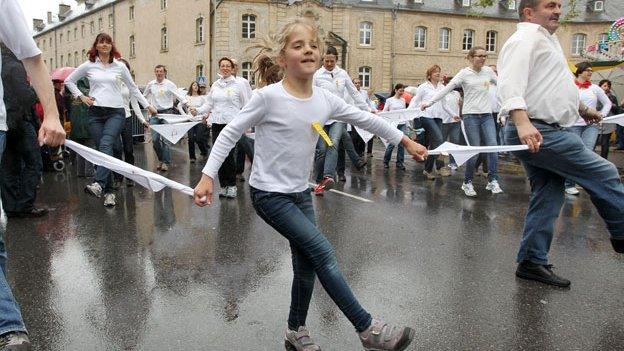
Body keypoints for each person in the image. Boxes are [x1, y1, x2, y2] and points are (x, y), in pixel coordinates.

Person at [193, 17, 426, 350]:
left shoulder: (325, 99)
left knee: (306, 265)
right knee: (322, 252)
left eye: (313, 45)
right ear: (282, 58)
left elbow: (367, 118)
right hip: (269, 195)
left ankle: (295, 331)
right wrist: (207, 176)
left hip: (300, 193)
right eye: (298, 45)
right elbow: (230, 131)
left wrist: (405, 141)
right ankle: (368, 329)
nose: (308, 50)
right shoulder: (268, 97)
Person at [498, 0, 624, 288]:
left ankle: (532, 261)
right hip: (538, 130)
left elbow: (553, 85)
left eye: (558, 5)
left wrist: (582, 108)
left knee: (549, 193)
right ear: (529, 12)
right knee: (604, 172)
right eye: (549, 5)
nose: (557, 10)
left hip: (545, 127)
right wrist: (522, 122)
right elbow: (509, 82)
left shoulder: (547, 40)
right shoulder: (525, 38)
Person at [0, 0, 66, 349]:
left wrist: (51, 115)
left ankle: (8, 328)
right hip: (14, 122)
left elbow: (33, 56)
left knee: (27, 166)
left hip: (7, 123)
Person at [65, 33, 157, 207]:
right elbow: (69, 81)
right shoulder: (88, 65)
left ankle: (99, 184)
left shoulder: (120, 66)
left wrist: (147, 106)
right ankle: (108, 192)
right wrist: (81, 96)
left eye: (108, 42)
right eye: (102, 42)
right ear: (96, 46)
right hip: (95, 114)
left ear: (111, 46)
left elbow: (133, 88)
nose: (105, 45)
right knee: (102, 151)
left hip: (116, 113)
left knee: (106, 145)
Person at [422, 47, 503, 196]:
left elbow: (503, 87)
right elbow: (447, 89)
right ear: (471, 58)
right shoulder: (464, 73)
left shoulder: (488, 72)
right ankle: (467, 182)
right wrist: (430, 102)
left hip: (486, 116)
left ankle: (493, 180)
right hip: (471, 116)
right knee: (474, 150)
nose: (483, 58)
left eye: (485, 56)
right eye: (479, 56)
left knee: (493, 147)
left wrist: (507, 109)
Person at [190, 57, 250, 198]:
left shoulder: (238, 85)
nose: (225, 68)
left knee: (228, 155)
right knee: (218, 155)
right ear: (219, 68)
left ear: (232, 68)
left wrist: (246, 123)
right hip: (217, 123)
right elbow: (209, 104)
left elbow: (247, 105)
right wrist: (197, 111)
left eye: (228, 66)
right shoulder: (216, 85)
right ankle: (223, 186)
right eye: (222, 66)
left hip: (232, 124)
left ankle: (232, 186)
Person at [313, 46, 368, 195]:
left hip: (338, 118)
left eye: (332, 61)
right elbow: (309, 95)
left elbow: (355, 94)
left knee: (334, 143)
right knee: (321, 151)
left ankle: (328, 177)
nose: (329, 64)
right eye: (326, 61)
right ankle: (318, 181)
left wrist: (368, 110)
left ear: (336, 60)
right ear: (323, 60)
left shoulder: (342, 74)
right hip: (319, 121)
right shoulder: (317, 75)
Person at [0, 44, 46, 218]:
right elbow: (25, 96)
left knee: (9, 165)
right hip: (20, 120)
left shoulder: (2, 64)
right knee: (33, 162)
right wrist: (36, 91)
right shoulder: (15, 66)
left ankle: (11, 206)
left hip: (5, 122)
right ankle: (25, 204)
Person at [563, 62, 611, 195]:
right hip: (573, 124)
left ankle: (587, 182)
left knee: (587, 153)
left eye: (591, 71)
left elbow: (607, 103)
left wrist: (602, 115)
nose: (590, 72)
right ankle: (568, 184)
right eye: (588, 70)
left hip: (591, 125)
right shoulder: (570, 86)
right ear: (580, 71)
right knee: (573, 153)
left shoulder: (595, 88)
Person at [409, 65, 452, 179]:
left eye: (439, 72)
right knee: (439, 138)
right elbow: (415, 101)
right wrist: (407, 114)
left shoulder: (442, 87)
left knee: (434, 144)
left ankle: (428, 170)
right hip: (426, 116)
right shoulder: (423, 87)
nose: (438, 74)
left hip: (438, 117)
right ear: (429, 75)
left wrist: (454, 115)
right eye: (435, 72)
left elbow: (445, 104)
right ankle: (440, 167)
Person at [112, 58, 149, 187]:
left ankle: (130, 176)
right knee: (116, 149)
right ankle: (117, 178)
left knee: (128, 149)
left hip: (126, 118)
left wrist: (142, 120)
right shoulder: (111, 82)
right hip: (113, 119)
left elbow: (134, 103)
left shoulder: (129, 84)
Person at [143, 65, 185, 172]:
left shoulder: (170, 84)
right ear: (155, 73)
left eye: (161, 71)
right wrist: (148, 106)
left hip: (167, 113)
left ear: (165, 73)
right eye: (157, 71)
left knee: (166, 140)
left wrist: (188, 105)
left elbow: (180, 96)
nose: (159, 73)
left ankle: (166, 162)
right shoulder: (151, 84)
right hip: (155, 114)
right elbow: (143, 97)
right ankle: (161, 159)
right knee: (155, 139)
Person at [179, 81, 208, 163]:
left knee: (199, 138)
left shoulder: (202, 98)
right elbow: (179, 106)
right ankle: (192, 157)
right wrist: (185, 115)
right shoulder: (187, 97)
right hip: (190, 120)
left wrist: (205, 117)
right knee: (191, 138)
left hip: (199, 120)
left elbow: (206, 108)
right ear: (191, 87)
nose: (195, 86)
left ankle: (204, 151)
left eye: (197, 85)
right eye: (194, 85)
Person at [382, 83, 408, 170]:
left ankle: (400, 163)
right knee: (392, 143)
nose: (402, 92)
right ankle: (386, 161)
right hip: (393, 124)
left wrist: (407, 124)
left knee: (401, 144)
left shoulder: (403, 100)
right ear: (396, 90)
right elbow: (385, 112)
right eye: (400, 90)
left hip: (402, 123)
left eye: (403, 91)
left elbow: (404, 112)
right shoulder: (389, 100)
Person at [596, 79, 621, 160]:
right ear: (600, 87)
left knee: (605, 142)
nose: (606, 88)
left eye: (608, 86)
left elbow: (617, 110)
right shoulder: (595, 96)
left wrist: (611, 103)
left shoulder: (612, 97)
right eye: (604, 86)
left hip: (608, 123)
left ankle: (604, 160)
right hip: (597, 121)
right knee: (593, 142)